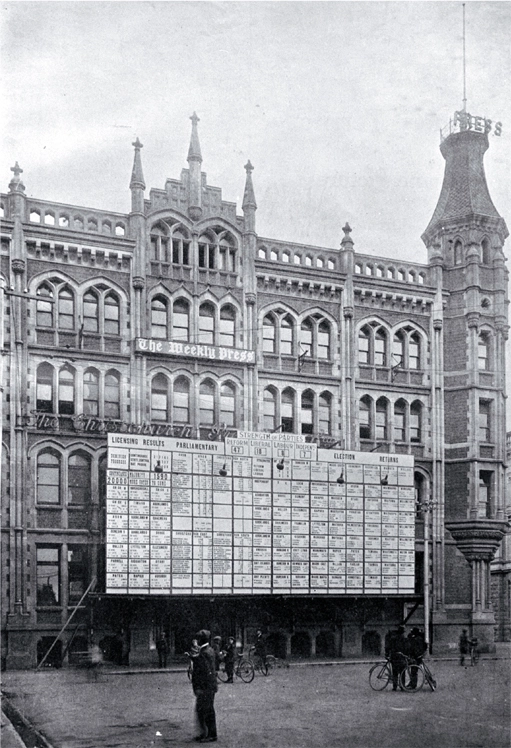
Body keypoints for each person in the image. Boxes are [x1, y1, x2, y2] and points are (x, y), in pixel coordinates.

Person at [191, 629, 218, 743]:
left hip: (205, 687)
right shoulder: (209, 650)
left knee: (206, 710)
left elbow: (204, 672)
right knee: (204, 710)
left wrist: (199, 688)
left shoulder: (204, 653)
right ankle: (206, 733)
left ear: (201, 640)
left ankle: (211, 734)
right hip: (210, 686)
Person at [385, 625, 408, 691]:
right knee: (402, 672)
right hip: (401, 657)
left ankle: (394, 686)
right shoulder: (404, 639)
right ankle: (402, 686)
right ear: (402, 632)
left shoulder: (393, 638)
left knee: (395, 672)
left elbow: (388, 647)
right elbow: (406, 648)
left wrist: (387, 654)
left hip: (394, 657)